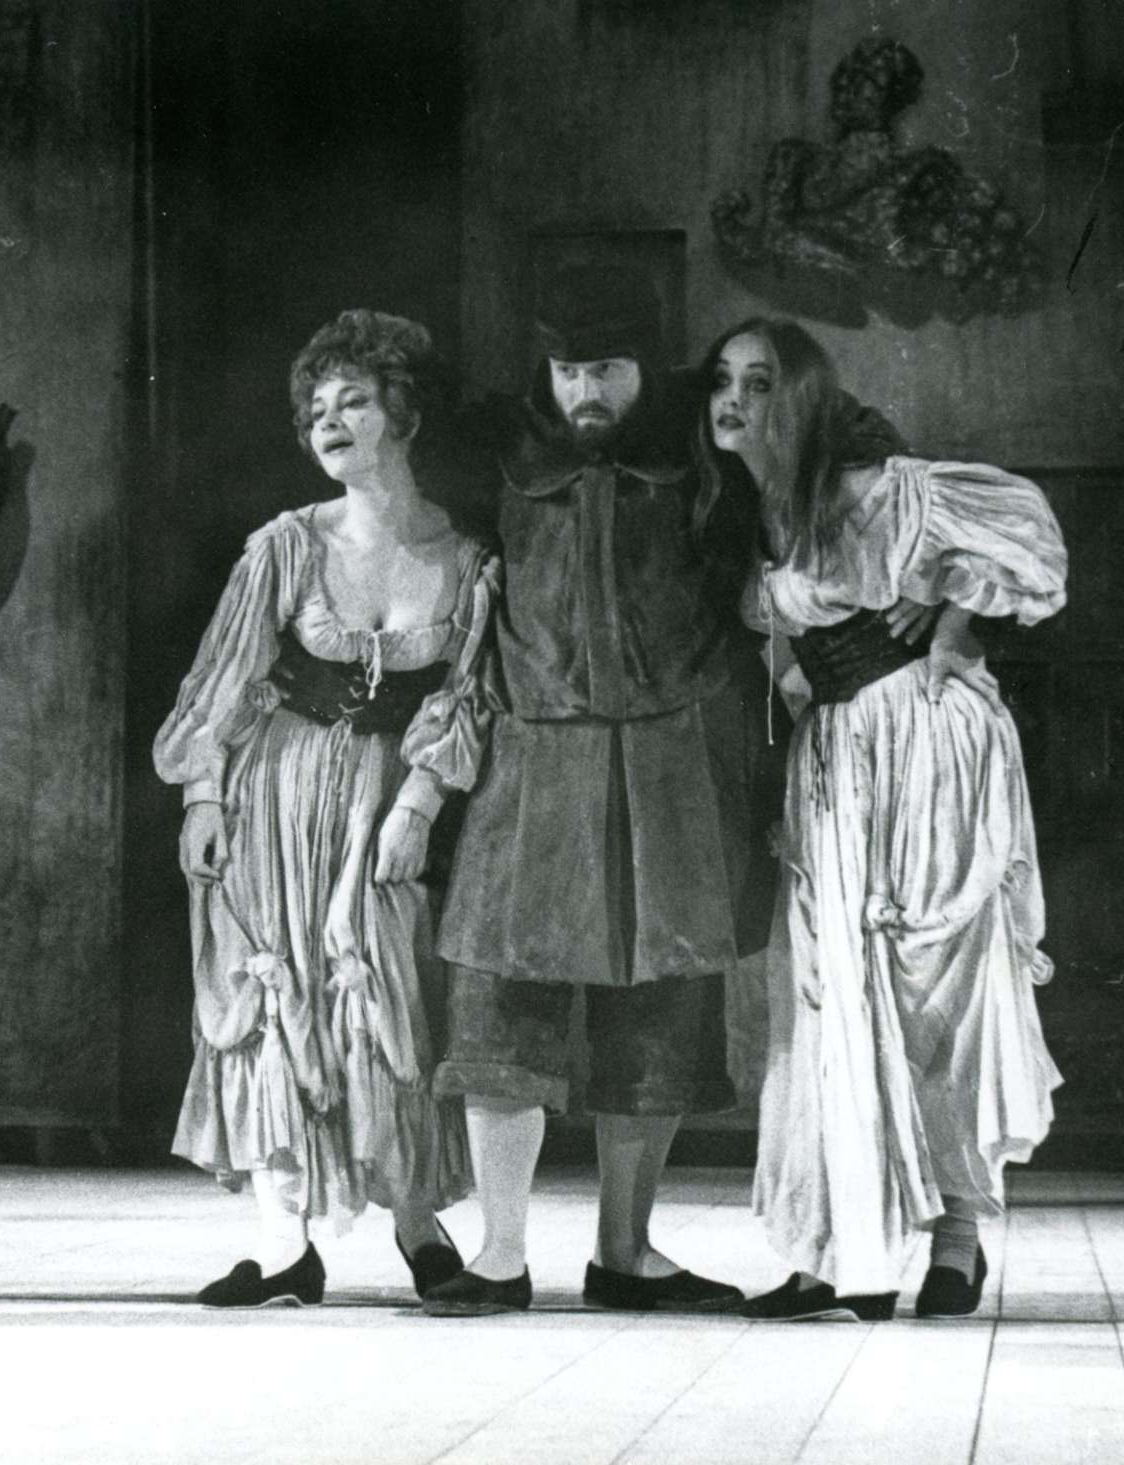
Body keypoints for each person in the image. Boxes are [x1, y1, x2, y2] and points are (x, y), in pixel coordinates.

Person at [706, 317, 1066, 1321]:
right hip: (836, 754)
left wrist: (956, 613)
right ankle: (837, 1251)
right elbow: (787, 634)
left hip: (923, 739)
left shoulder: (875, 487)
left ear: (801, 395)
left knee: (929, 992)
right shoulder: (752, 510)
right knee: (830, 999)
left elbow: (1026, 530)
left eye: (759, 382)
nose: (733, 400)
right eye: (722, 382)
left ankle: (956, 1242)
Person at [422, 267, 765, 1318]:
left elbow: (821, 439)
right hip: (532, 757)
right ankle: (498, 1255)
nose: (584, 390)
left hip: (673, 762)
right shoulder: (496, 444)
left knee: (661, 1010)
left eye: (606, 369)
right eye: (568, 368)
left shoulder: (703, 443)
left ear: (645, 368)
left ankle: (626, 1251)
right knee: (499, 1008)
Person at [153, 309, 494, 1307]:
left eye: (353, 402)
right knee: (270, 991)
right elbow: (223, 675)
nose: (329, 423)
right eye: (315, 411)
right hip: (274, 787)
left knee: (384, 991)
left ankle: (418, 1223)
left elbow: (466, 695)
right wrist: (204, 795)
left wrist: (419, 801)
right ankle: (281, 1245)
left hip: (383, 800)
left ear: (405, 412)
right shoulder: (287, 545)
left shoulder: (467, 559)